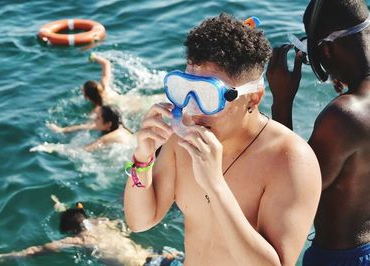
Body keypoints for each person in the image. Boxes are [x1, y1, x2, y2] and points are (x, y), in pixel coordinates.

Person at [123, 13, 321, 266]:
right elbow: (140, 221)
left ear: (253, 98)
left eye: (207, 95)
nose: (192, 109)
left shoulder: (291, 161)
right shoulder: (182, 141)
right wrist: (142, 159)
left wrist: (215, 184)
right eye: (185, 89)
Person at [266, 0, 370, 265]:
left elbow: (291, 190)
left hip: (340, 258)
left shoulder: (344, 116)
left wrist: (282, 102)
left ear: (326, 49)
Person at [0, 196, 184, 266]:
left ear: (72, 231)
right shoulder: (103, 222)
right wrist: (65, 209)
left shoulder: (80, 241)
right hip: (157, 256)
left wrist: (2, 256)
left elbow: (37, 249)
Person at [47, 53, 119, 134]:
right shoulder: (105, 86)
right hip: (131, 101)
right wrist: (94, 57)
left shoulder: (97, 110)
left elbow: (86, 126)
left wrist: (61, 130)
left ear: (87, 97)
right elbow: (106, 63)